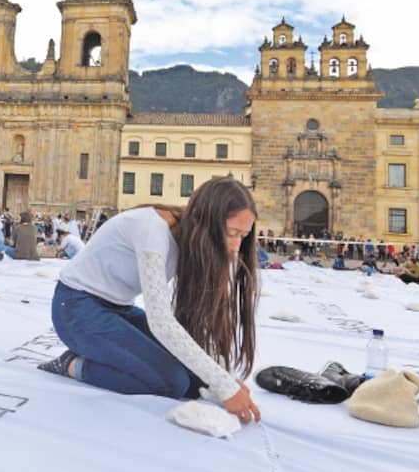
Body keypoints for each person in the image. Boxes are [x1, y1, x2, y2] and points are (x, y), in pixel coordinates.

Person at [38, 177, 262, 425]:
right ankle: (73, 364)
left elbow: (194, 322)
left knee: (195, 379)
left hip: (118, 309)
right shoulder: (152, 230)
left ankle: (104, 351)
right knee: (170, 382)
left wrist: (222, 378)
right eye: (232, 233)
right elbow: (161, 321)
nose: (235, 246)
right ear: (202, 218)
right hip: (76, 307)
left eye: (243, 236)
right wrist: (225, 386)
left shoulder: (193, 239)